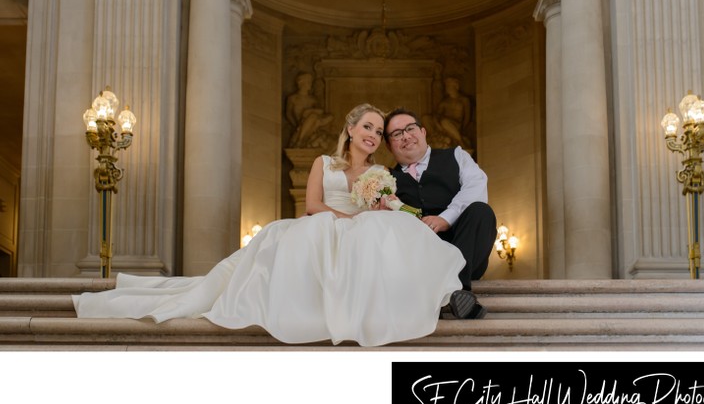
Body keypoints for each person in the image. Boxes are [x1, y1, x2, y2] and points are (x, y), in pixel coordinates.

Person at [72, 104, 466, 347]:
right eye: (368, 127)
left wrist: (381, 209)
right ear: (350, 129)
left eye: (379, 132)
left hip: (359, 229)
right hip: (326, 222)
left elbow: (387, 207)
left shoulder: (382, 171)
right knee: (297, 234)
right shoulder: (323, 164)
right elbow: (312, 205)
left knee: (389, 230)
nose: (374, 136)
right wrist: (349, 218)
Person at [383, 107, 497, 320]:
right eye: (397, 134)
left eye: (410, 128)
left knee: (481, 211)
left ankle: (458, 289)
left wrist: (446, 218)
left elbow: (476, 186)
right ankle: (459, 298)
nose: (406, 136)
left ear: (423, 132)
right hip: (422, 259)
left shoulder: (456, 155)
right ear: (389, 145)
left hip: (466, 251)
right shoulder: (385, 178)